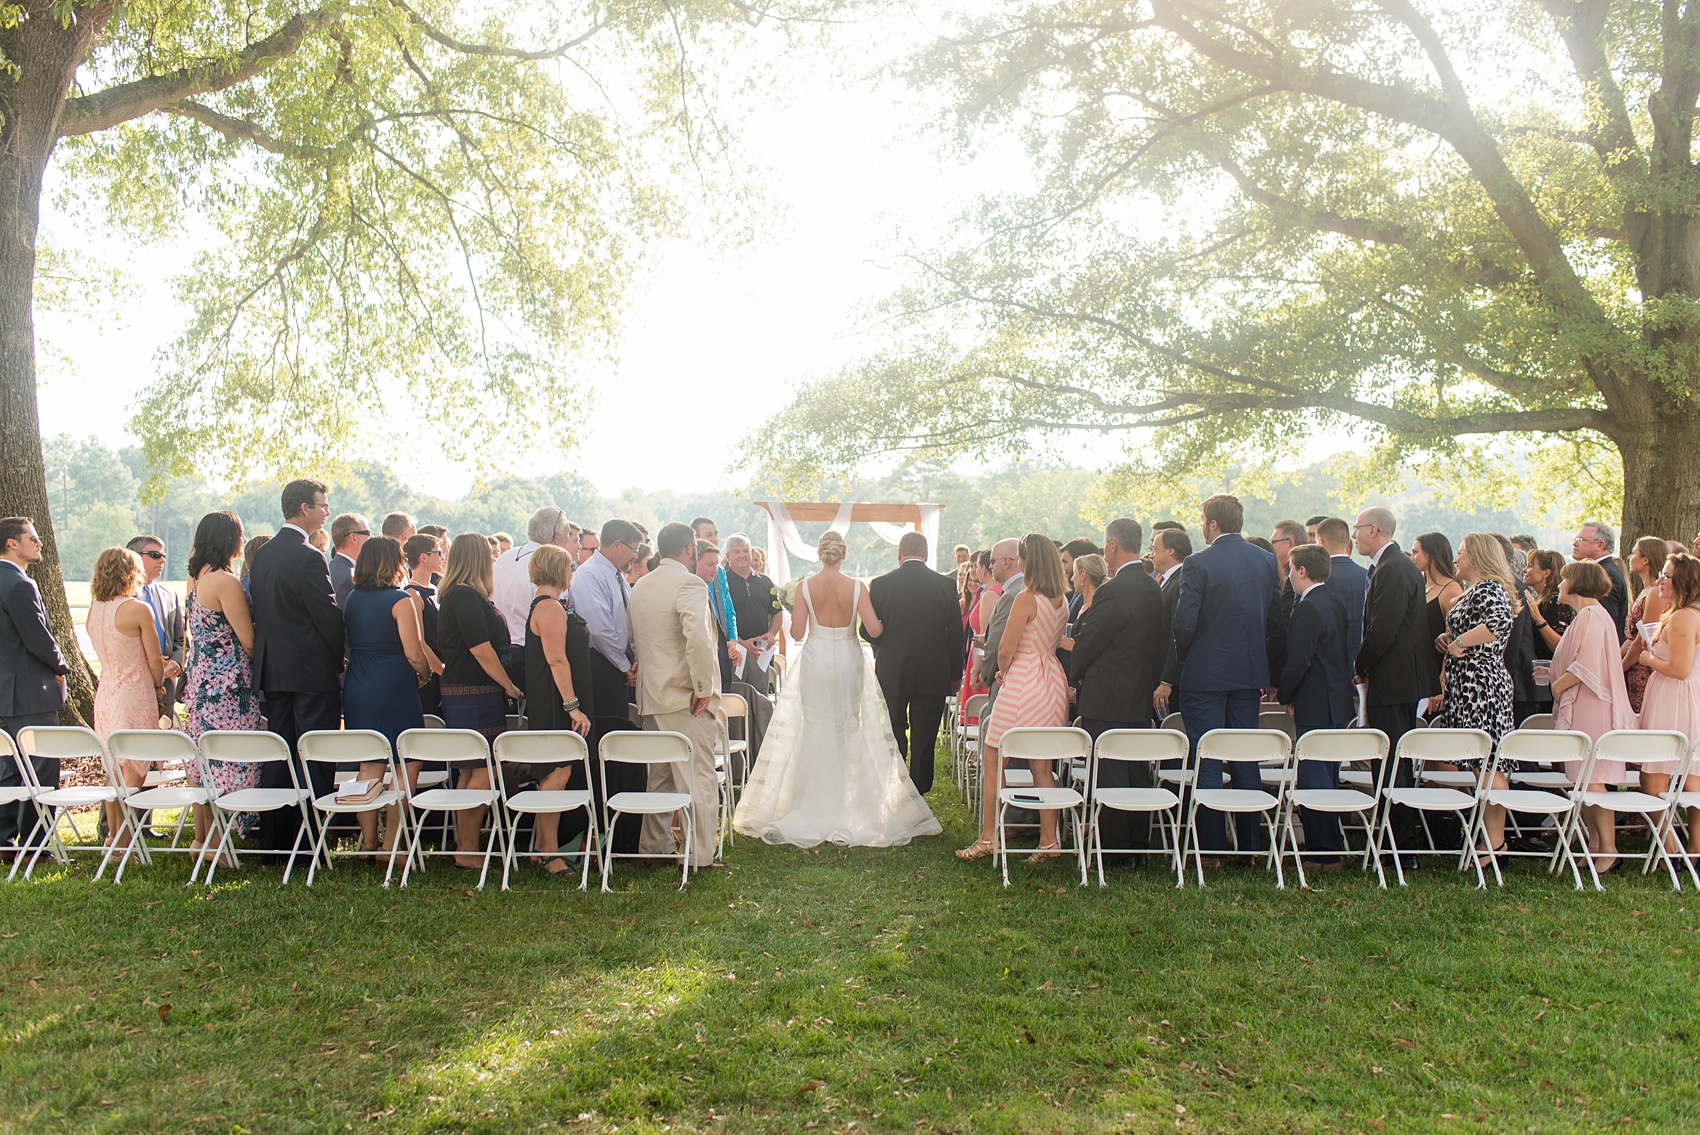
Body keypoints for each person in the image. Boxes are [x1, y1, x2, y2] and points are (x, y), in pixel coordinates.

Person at [737, 528, 942, 849]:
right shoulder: (857, 587)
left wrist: (797, 608)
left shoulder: (805, 587)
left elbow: (799, 632)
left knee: (815, 726)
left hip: (816, 660)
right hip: (848, 659)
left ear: (819, 555)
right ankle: (852, 804)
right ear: (843, 555)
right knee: (848, 725)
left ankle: (813, 801)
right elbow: (873, 628)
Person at [1164, 495, 1282, 861]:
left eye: (1202, 520)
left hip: (1205, 674)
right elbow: (1275, 619)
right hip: (1249, 673)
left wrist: (1187, 656)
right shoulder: (1265, 560)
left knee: (1208, 757)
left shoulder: (1198, 562)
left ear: (1212, 524)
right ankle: (1249, 847)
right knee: (1245, 757)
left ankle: (1211, 849)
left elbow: (1185, 621)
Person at [247, 478, 345, 862]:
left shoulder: (264, 555)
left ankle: (274, 843)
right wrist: (338, 659)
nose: (326, 512)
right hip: (310, 673)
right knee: (314, 756)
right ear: (304, 508)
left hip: (274, 670)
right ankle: (310, 847)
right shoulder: (309, 556)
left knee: (280, 755)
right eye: (323, 505)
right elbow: (328, 618)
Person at [958, 533, 1071, 861]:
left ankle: (988, 837)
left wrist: (1003, 671)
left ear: (1027, 561)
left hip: (1022, 681)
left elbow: (1006, 649)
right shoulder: (1060, 600)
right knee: (1041, 765)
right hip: (1050, 682)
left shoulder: (1027, 598)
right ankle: (1049, 841)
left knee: (994, 759)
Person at [1067, 519, 1166, 860]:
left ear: (1111, 545)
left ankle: (1112, 848)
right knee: (1135, 771)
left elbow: (1087, 643)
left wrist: (1075, 676)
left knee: (1108, 773)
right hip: (1138, 695)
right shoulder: (1154, 587)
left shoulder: (1113, 589)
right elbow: (1160, 645)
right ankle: (1137, 846)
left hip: (1105, 696)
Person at [625, 523, 722, 867]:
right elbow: (698, 638)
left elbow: (635, 640)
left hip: (651, 694)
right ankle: (700, 855)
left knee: (661, 776)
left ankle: (654, 847)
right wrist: (702, 687)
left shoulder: (640, 586)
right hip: (685, 698)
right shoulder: (689, 582)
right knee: (698, 777)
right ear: (688, 550)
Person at [1539, 560, 1635, 867]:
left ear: (1577, 583)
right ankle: (1594, 845)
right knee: (1583, 779)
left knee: (1593, 779)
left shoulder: (1592, 615)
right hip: (1584, 702)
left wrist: (1558, 686)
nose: (1560, 585)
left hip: (1590, 705)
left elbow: (1588, 665)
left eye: (1565, 579)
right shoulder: (1588, 615)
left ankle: (1608, 849)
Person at [1353, 506, 1438, 853]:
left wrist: (1361, 663)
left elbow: (1382, 630)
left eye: (1357, 528)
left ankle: (1396, 845)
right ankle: (1395, 840)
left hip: (1392, 681)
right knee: (1391, 760)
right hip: (1399, 679)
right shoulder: (1398, 566)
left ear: (1373, 530)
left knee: (1388, 762)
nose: (1354, 534)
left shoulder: (1391, 568)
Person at [1431, 533, 1520, 859]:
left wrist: (1461, 642)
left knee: (1488, 766)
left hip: (1481, 687)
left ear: (1478, 557)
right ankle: (1488, 839)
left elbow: (1498, 622)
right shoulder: (1476, 591)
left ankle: (1495, 842)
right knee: (1477, 766)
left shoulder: (1489, 589)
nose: (1456, 559)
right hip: (1467, 685)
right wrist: (1449, 639)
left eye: (1462, 553)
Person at [437, 532, 522, 867]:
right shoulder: (465, 597)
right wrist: (509, 686)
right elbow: (481, 650)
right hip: (474, 690)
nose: (492, 558)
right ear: (475, 558)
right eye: (488, 554)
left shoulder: (462, 595)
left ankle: (466, 846)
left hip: (468, 689)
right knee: (482, 769)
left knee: (470, 769)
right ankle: (468, 849)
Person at [342, 537, 430, 856]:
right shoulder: (400, 599)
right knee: (407, 762)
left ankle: (367, 842)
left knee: (369, 764)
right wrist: (427, 674)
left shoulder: (352, 597)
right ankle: (391, 845)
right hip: (393, 686)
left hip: (359, 683)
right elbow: (414, 652)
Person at [183, 511, 263, 858]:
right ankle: (218, 842)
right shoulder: (225, 582)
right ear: (228, 539)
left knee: (203, 761)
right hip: (228, 686)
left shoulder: (194, 578)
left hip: (201, 679)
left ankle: (200, 839)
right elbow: (248, 640)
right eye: (240, 535)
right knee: (229, 761)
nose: (243, 541)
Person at [864, 531, 964, 795]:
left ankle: (894, 782)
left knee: (895, 725)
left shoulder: (881, 584)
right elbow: (955, 633)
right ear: (926, 554)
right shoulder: (945, 585)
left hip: (893, 670)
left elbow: (867, 630)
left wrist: (886, 640)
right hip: (932, 670)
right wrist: (956, 674)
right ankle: (918, 790)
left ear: (899, 554)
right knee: (925, 733)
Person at [1275, 545, 1355, 867]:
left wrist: (1285, 695)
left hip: (1314, 702)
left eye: (1291, 569)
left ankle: (1324, 852)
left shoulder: (1307, 607)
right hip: (1335, 700)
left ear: (1302, 571)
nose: (1289, 575)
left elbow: (1298, 661)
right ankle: (1329, 845)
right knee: (1329, 776)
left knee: (1314, 779)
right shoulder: (1333, 601)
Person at [571, 518, 647, 854]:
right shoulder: (590, 575)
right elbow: (599, 629)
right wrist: (624, 664)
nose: (634, 557)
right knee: (605, 742)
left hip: (615, 665)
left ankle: (617, 828)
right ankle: (599, 827)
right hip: (599, 668)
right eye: (633, 550)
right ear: (616, 544)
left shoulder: (617, 576)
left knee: (616, 738)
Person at [85, 547, 166, 852]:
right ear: (131, 573)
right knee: (133, 770)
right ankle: (122, 837)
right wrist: (159, 685)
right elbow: (154, 660)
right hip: (134, 692)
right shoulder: (137, 609)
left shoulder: (95, 608)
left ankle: (115, 835)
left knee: (115, 767)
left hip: (107, 692)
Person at [0, 517, 70, 859]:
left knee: (7, 769)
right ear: (12, 543)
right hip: (29, 691)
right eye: (33, 537)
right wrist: (62, 666)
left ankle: (3, 842)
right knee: (42, 768)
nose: (39, 542)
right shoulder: (19, 584)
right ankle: (35, 845)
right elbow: (37, 639)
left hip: (3, 692)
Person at [524, 545, 595, 874]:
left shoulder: (545, 603)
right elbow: (556, 659)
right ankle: (550, 854)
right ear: (558, 569)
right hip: (556, 702)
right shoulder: (549, 607)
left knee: (554, 775)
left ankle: (541, 847)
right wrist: (573, 706)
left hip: (551, 698)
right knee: (557, 774)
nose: (572, 572)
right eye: (569, 566)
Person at [1626, 551, 1700, 859]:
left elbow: (1680, 670)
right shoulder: (1683, 611)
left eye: (1666, 576)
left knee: (1654, 777)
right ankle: (1691, 851)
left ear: (1682, 581)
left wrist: (1647, 658)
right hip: (1680, 696)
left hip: (1676, 699)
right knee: (1692, 777)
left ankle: (1675, 852)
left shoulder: (1684, 615)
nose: (1659, 580)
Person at [492, 507, 580, 647]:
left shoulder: (504, 558)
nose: (569, 539)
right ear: (557, 537)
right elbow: (557, 614)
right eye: (568, 534)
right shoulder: (551, 565)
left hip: (502, 646)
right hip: (536, 649)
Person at [126, 534, 185, 716]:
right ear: (134, 556)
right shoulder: (120, 598)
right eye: (155, 555)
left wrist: (176, 661)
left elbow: (181, 639)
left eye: (164, 556)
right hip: (132, 685)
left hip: (166, 686)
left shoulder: (170, 596)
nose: (162, 560)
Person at [1409, 532, 1464, 717]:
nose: (1412, 557)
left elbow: (1454, 637)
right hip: (1419, 674)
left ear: (1431, 554)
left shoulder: (1451, 589)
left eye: (1416, 552)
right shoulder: (1422, 586)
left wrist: (1441, 681)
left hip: (1438, 674)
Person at [723, 534, 782, 696]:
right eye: (736, 552)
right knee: (735, 697)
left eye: (745, 551)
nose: (742, 555)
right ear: (728, 556)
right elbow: (719, 618)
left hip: (760, 651)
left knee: (760, 696)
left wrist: (771, 634)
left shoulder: (765, 581)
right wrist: (741, 643)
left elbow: (777, 612)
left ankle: (760, 723)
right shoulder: (722, 582)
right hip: (733, 652)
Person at [1621, 535, 1671, 713]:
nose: (1629, 557)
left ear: (1646, 559)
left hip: (1642, 668)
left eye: (1634, 553)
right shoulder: (1645, 590)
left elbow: (1643, 637)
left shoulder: (1655, 594)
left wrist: (1622, 667)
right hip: (1634, 664)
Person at [976, 538, 1025, 717]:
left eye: (992, 561)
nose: (990, 566)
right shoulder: (1023, 587)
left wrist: (986, 675)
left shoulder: (1013, 594)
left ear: (1005, 561)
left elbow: (998, 641)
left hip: (1006, 678)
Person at [402, 534, 446, 714]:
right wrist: (443, 673)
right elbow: (419, 641)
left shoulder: (435, 590)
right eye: (438, 552)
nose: (443, 556)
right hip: (430, 675)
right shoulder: (412, 593)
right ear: (424, 557)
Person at [1150, 526, 1190, 712]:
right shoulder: (1167, 580)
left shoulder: (1182, 581)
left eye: (1155, 549)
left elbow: (1178, 631)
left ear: (1171, 550)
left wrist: (1167, 680)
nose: (1151, 555)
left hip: (1170, 681)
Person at [1315, 518, 1366, 659]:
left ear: (1321, 542)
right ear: (1348, 542)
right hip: (1361, 655)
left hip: (1327, 658)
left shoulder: (1317, 578)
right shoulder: (1367, 575)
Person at [696, 540, 741, 692]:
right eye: (710, 565)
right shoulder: (687, 583)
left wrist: (733, 641)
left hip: (723, 650)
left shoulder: (720, 572)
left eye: (716, 564)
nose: (715, 570)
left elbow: (729, 610)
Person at [1573, 521, 1628, 640]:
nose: (1575, 543)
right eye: (1576, 539)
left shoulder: (1606, 573)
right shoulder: (1602, 570)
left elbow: (1602, 620)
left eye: (1581, 540)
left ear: (1600, 545)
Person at [1525, 548, 1572, 657]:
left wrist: (1538, 619)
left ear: (1546, 573)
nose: (1524, 570)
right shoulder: (1544, 600)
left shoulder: (1554, 602)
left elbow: (1560, 646)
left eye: (1530, 566)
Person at [328, 513, 370, 608]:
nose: (370, 539)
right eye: (367, 534)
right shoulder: (348, 577)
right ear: (353, 538)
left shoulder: (332, 567)